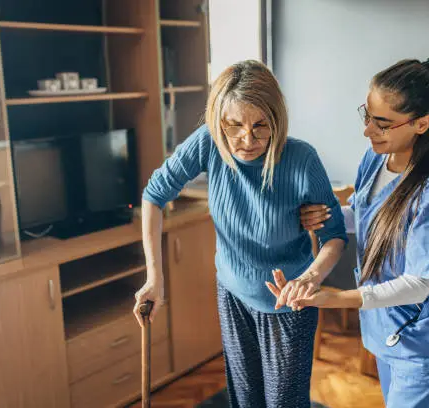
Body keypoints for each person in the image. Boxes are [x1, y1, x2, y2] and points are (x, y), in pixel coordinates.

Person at [269, 57, 429, 407]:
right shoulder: (376, 159)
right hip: (389, 331)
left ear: (421, 123)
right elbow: (368, 213)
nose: (367, 130)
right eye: (366, 115)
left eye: (382, 123)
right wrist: (327, 215)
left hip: (427, 340)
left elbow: (419, 283)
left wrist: (334, 298)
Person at [133, 60, 347, 408]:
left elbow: (335, 237)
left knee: (285, 403)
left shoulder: (302, 159)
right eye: (234, 126)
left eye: (261, 126)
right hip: (233, 294)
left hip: (289, 302)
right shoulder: (209, 142)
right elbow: (153, 196)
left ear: (277, 119)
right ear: (219, 121)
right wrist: (154, 277)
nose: (247, 140)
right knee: (245, 401)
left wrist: (310, 278)